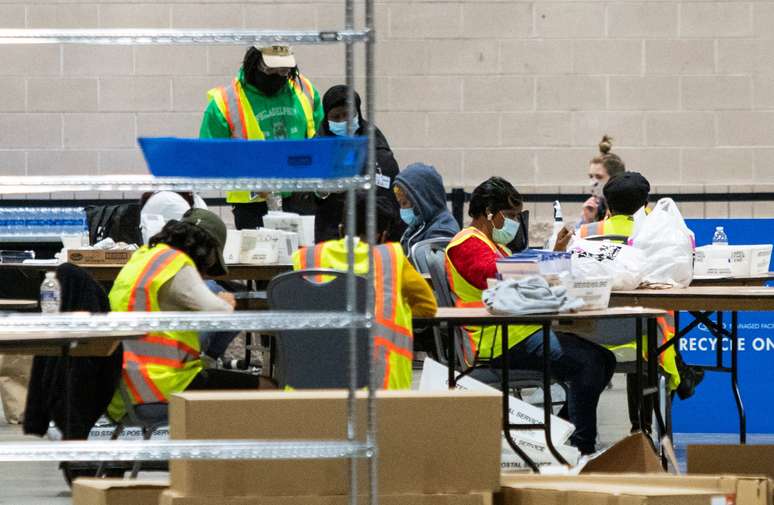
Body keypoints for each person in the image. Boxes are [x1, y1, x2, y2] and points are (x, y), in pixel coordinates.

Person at [445, 177, 615, 455]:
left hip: (518, 331)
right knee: (589, 363)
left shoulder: (495, 246)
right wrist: (544, 261)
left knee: (605, 359)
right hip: (496, 340)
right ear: (490, 213)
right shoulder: (466, 244)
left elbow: (517, 271)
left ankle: (561, 436)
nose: (514, 223)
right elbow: (496, 273)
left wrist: (554, 255)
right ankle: (582, 449)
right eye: (511, 216)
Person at [106, 209, 260, 422]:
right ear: (207, 250)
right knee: (266, 387)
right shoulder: (176, 265)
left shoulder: (144, 257)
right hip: (161, 388)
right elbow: (220, 313)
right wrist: (227, 301)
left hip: (125, 389)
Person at [293, 194, 437, 389]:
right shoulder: (391, 259)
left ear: (341, 227)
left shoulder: (307, 258)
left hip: (317, 384)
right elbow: (427, 307)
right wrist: (396, 309)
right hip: (382, 386)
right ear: (382, 234)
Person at [199, 45, 323, 230]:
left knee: (302, 256)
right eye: (271, 69)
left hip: (302, 196)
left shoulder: (304, 90)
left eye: (283, 70)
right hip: (253, 204)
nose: (278, 76)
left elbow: (322, 137)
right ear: (255, 65)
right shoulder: (225, 102)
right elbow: (210, 156)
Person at [314, 85, 403, 242]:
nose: (343, 121)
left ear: (357, 114)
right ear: (327, 119)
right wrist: (320, 191)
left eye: (347, 115)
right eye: (336, 117)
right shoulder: (317, 147)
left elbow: (389, 192)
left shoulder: (375, 144)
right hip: (331, 235)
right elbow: (299, 196)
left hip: (372, 235)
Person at [393, 162, 459, 259]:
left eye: (405, 203)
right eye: (400, 204)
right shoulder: (421, 223)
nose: (402, 210)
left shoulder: (442, 230)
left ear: (422, 200)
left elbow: (432, 271)